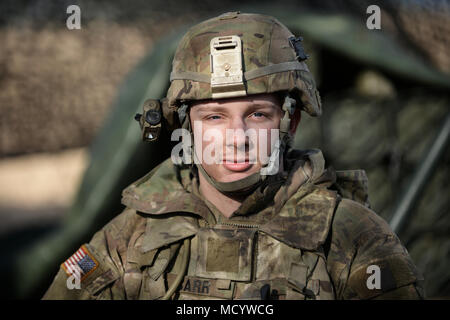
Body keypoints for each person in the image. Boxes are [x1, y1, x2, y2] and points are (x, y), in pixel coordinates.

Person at [43, 11, 424, 300]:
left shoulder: (351, 234)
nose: (236, 138)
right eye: (214, 117)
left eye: (258, 114)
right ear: (187, 128)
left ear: (287, 124)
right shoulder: (131, 235)